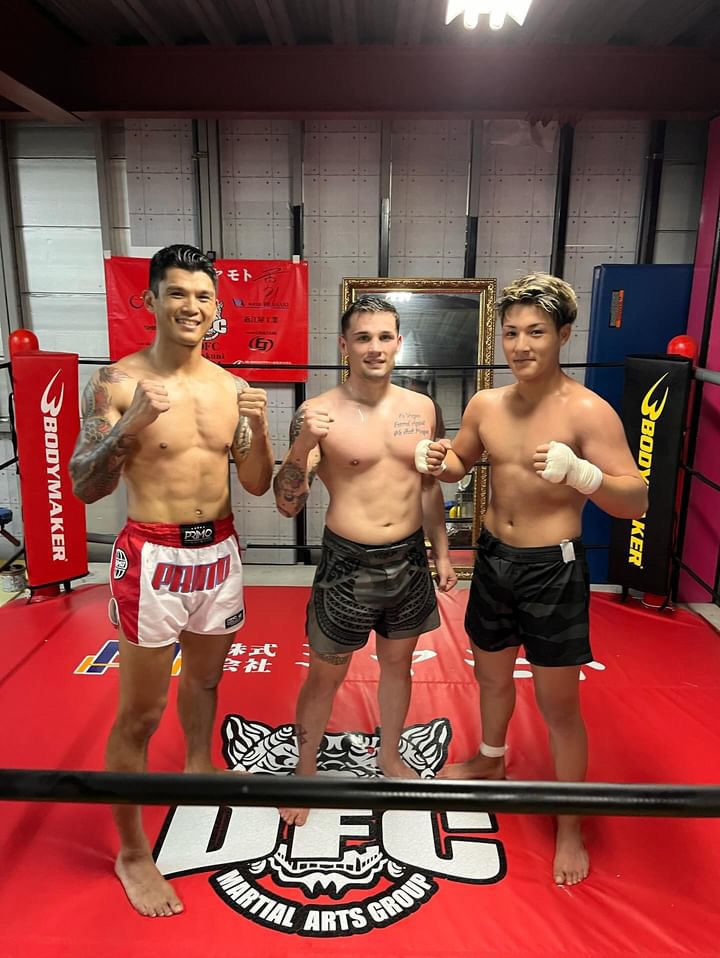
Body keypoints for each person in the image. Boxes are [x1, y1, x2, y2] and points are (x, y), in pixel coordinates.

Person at [415, 272, 648, 886]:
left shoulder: (587, 411)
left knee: (558, 705)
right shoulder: (487, 404)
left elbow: (636, 500)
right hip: (493, 558)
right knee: (490, 677)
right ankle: (491, 761)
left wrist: (584, 476)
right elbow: (462, 460)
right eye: (512, 332)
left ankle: (570, 825)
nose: (521, 345)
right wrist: (441, 460)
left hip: (553, 569)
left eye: (536, 332)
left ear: (564, 335)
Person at [69, 244, 274, 918]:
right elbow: (85, 485)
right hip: (152, 557)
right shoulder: (116, 383)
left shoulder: (228, 387)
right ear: (152, 301)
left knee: (206, 682)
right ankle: (132, 853)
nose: (192, 306)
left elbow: (255, 483)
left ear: (216, 308)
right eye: (178, 293)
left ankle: (199, 766)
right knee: (140, 713)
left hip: (219, 551)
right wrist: (129, 425)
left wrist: (259, 427)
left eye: (203, 296)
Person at [273, 295, 457, 826]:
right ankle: (304, 772)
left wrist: (442, 551)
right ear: (344, 345)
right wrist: (304, 442)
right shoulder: (319, 412)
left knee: (398, 665)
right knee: (325, 675)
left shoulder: (421, 408)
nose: (374, 347)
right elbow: (287, 503)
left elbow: (428, 486)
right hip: (347, 563)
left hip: (409, 558)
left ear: (398, 342)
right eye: (362, 338)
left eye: (383, 337)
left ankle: (390, 755)